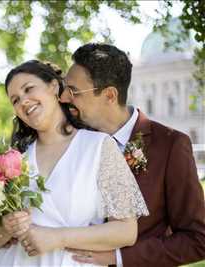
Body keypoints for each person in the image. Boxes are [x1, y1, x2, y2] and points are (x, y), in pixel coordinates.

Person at [0, 60, 149, 266]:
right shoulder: (14, 159)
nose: (23, 101)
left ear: (53, 87)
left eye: (28, 89)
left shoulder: (99, 146)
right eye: (15, 100)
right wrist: (5, 227)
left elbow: (126, 231)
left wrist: (58, 238)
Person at [59, 43, 205, 266]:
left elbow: (197, 239)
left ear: (109, 95)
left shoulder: (171, 145)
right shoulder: (69, 141)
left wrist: (118, 258)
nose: (64, 98)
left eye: (74, 91)